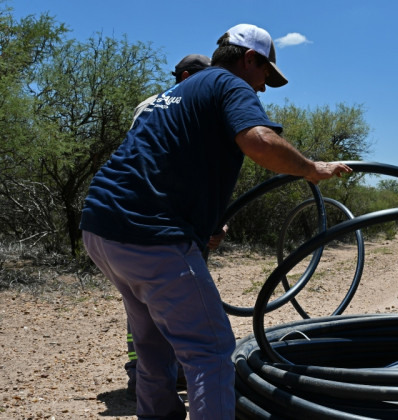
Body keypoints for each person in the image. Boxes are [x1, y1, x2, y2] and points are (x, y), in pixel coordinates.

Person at [80, 23, 352, 420]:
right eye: (264, 75)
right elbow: (258, 140)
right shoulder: (230, 84)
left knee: (154, 345)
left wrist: (204, 223)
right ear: (249, 60)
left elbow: (164, 162)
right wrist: (311, 168)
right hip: (150, 234)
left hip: (102, 226)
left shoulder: (177, 92)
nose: (261, 87)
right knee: (209, 350)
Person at [123, 53, 212, 402]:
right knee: (179, 302)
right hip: (167, 222)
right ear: (186, 76)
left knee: (142, 306)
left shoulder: (148, 106)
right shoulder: (188, 109)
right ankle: (171, 374)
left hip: (132, 219)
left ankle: (145, 377)